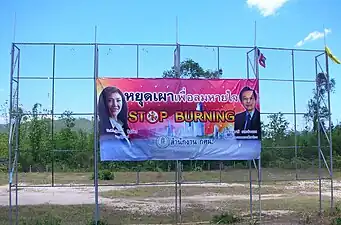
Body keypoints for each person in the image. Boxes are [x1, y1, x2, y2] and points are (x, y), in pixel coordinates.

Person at [98, 86, 149, 160]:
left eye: (118, 100)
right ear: (104, 104)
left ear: (122, 102)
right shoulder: (102, 126)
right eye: (110, 100)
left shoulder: (121, 125)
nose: (115, 104)